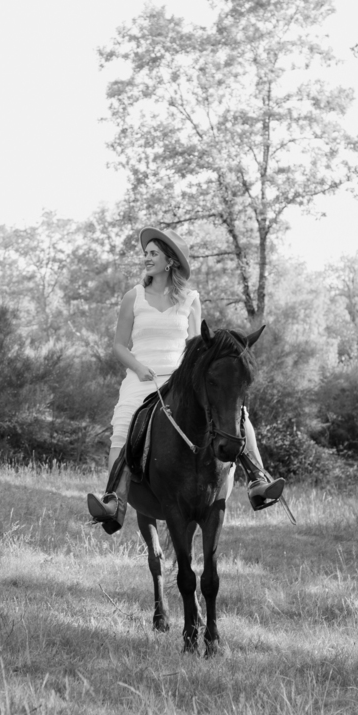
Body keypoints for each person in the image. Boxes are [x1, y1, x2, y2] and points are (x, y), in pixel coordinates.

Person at [86, 226, 285, 531]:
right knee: (125, 424)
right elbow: (117, 345)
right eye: (146, 254)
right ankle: (115, 500)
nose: (147, 258)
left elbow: (197, 346)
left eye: (153, 253)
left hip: (181, 380)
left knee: (238, 415)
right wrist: (138, 367)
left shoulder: (191, 299)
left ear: (170, 261)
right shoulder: (133, 297)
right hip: (143, 379)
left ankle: (258, 480)